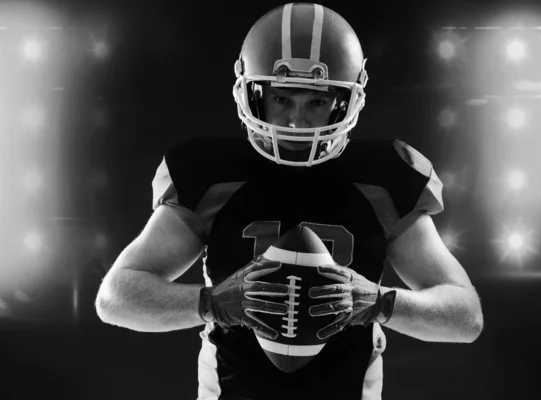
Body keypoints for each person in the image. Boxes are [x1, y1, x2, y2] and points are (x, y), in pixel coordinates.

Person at [95, 3, 484, 400]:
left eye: (316, 102)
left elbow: (465, 316)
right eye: (282, 99)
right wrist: (212, 303)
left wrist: (379, 302)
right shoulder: (211, 175)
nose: (297, 122)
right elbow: (116, 298)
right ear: (250, 91)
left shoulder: (385, 179)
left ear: (349, 99)